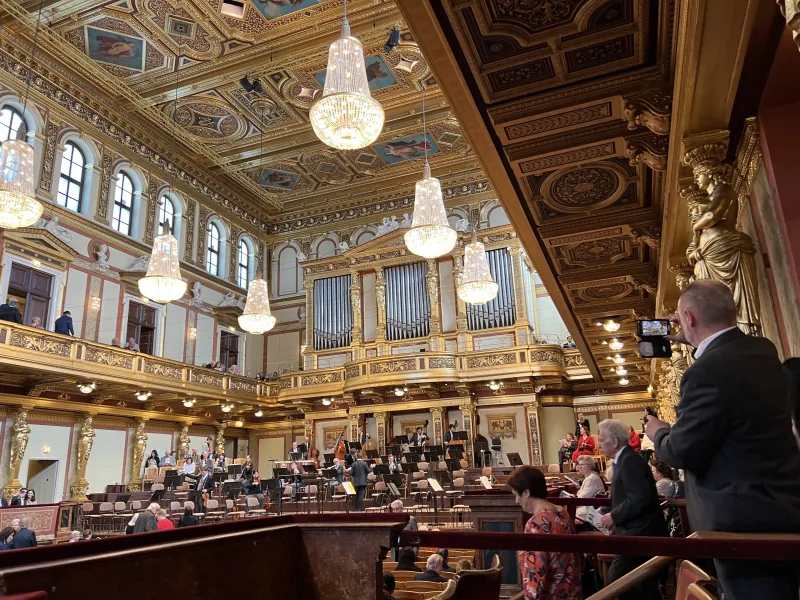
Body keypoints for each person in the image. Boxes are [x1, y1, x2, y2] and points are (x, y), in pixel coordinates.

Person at [646, 280, 800, 600]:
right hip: (780, 504)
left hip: (741, 521)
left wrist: (658, 431)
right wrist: (695, 340)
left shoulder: (705, 372)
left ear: (687, 318)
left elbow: (682, 451)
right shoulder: (762, 349)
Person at [598, 419, 665, 600]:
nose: (599, 444)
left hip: (640, 533)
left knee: (617, 582)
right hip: (635, 530)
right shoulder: (625, 459)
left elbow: (639, 498)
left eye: (602, 439)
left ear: (614, 441)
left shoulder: (629, 461)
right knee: (643, 586)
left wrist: (614, 516)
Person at [508, 465, 583, 600]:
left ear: (526, 493)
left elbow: (535, 576)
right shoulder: (562, 513)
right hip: (572, 592)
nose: (516, 500)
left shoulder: (536, 524)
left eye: (516, 495)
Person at [575, 455, 605, 523]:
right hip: (587, 507)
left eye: (582, 464)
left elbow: (582, 499)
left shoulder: (591, 479)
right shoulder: (590, 476)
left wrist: (573, 498)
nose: (579, 467)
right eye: (579, 464)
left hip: (589, 510)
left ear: (589, 466)